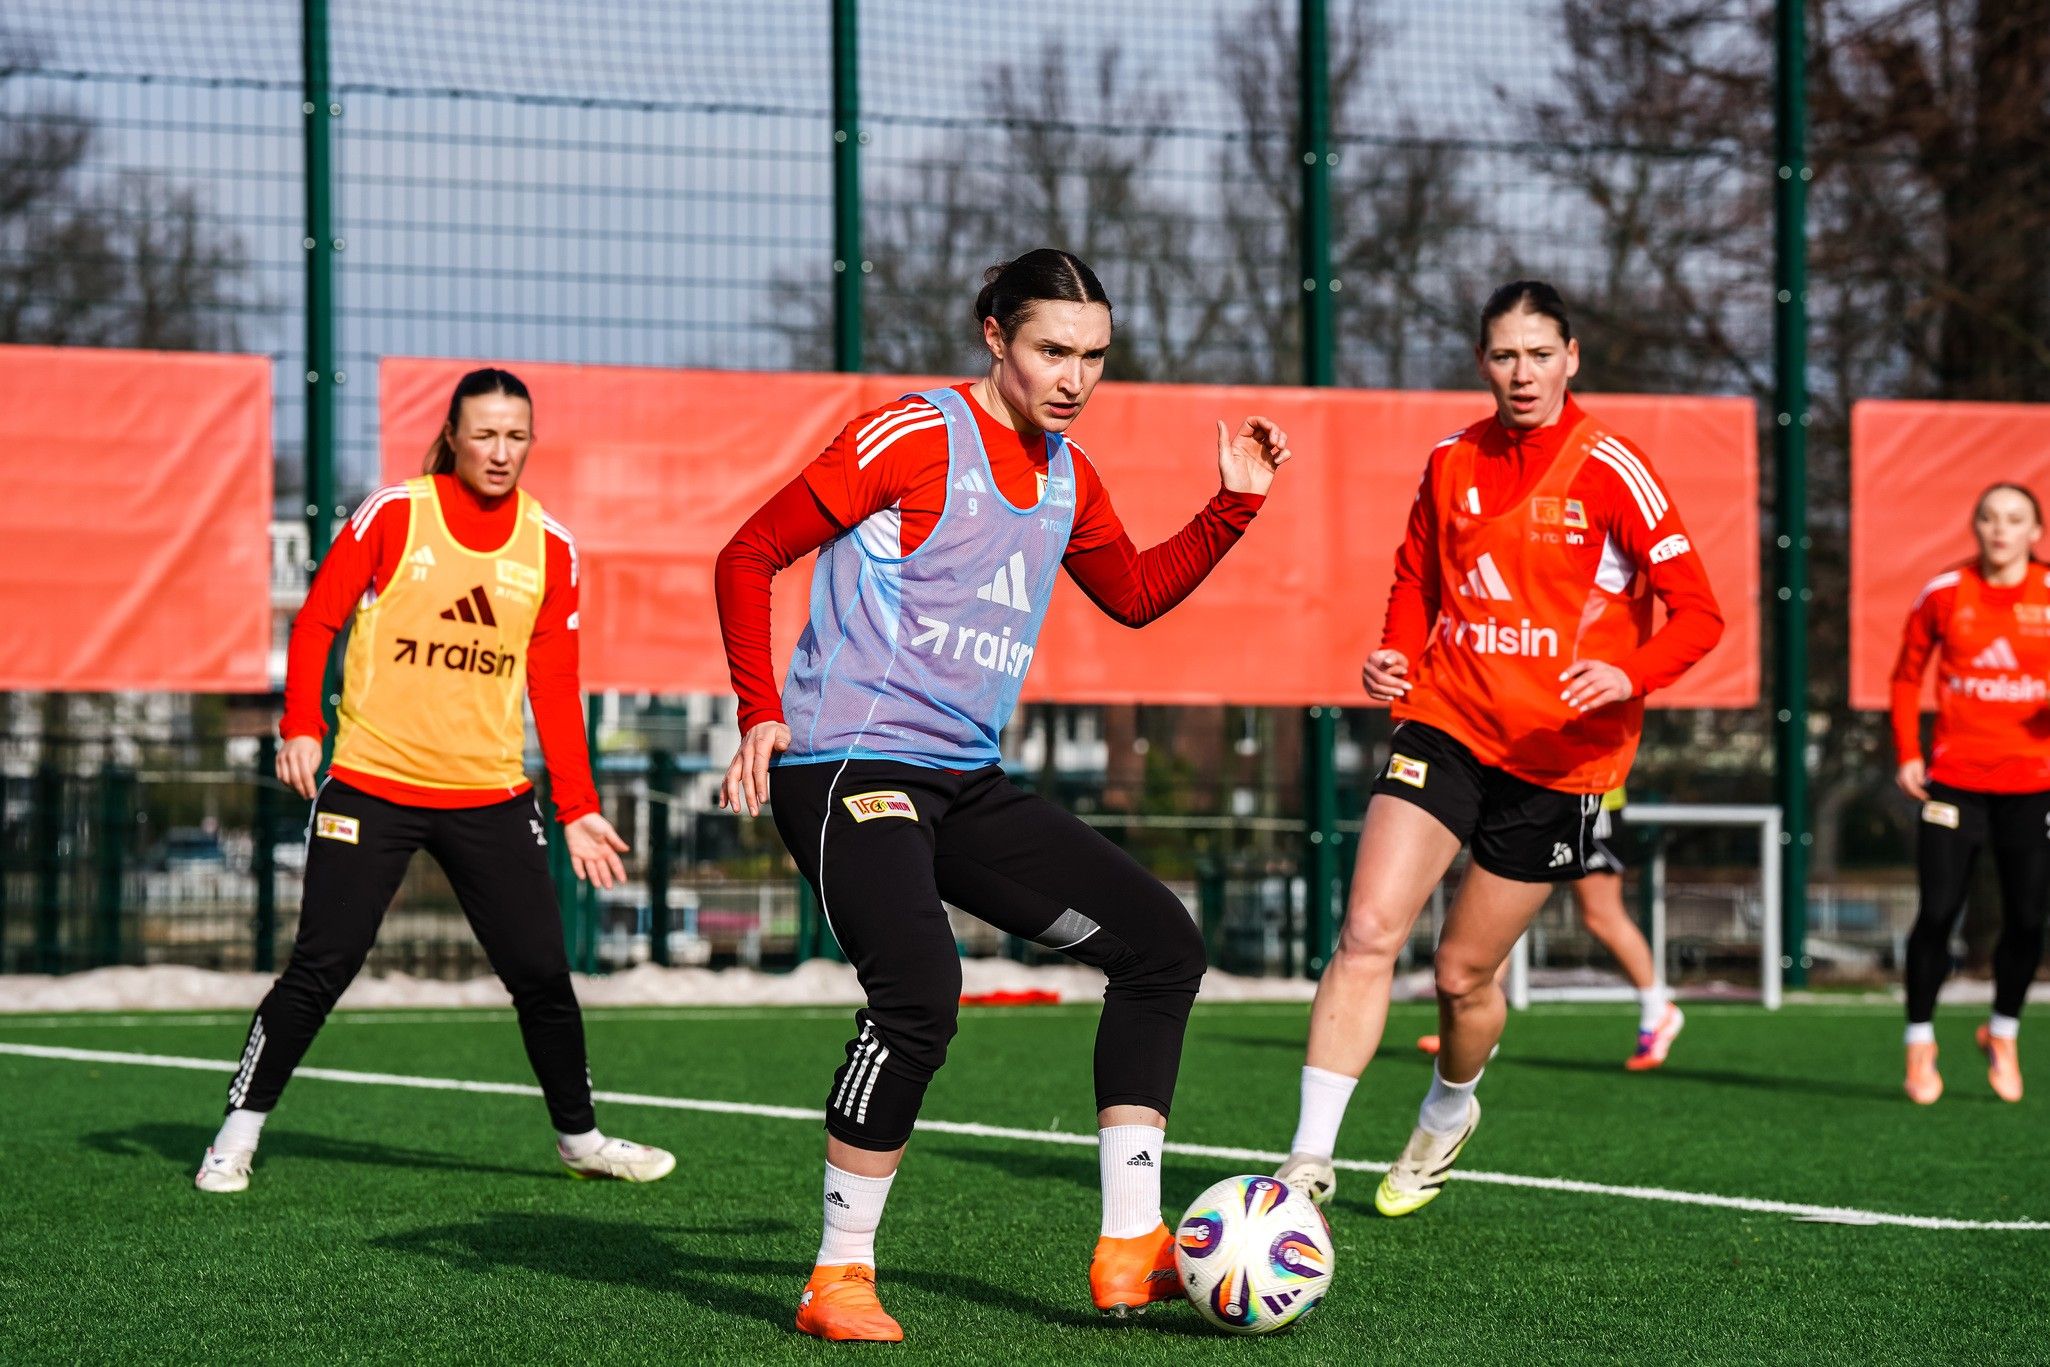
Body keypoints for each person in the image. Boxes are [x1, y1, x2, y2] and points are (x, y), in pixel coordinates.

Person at [713, 249, 1290, 1341]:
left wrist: (1233, 508)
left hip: (962, 782)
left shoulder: (1069, 474)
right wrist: (757, 708)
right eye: (1052, 350)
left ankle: (1129, 1245)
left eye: (1094, 357)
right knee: (923, 989)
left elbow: (1132, 595)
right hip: (846, 766)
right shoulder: (914, 435)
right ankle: (838, 1274)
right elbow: (749, 553)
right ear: (993, 335)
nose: (1074, 377)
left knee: (1162, 944)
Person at [1273, 280, 1722, 1215]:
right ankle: (1306, 1161)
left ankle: (1450, 1107)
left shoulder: (1611, 467)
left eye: (1540, 353)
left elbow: (1700, 615)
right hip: (1447, 721)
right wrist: (1396, 651)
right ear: (1484, 362)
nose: (1523, 373)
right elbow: (1415, 578)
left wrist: (1628, 673)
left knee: (1459, 974)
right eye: (1505, 355)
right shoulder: (1451, 461)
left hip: (1563, 762)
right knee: (1366, 933)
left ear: (1572, 357)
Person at [195, 368, 674, 1193]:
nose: (500, 451)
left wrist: (579, 807)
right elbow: (317, 620)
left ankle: (581, 1139)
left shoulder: (550, 547)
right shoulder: (396, 513)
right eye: (484, 434)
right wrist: (301, 726)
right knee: (323, 964)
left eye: (516, 435)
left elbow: (555, 687)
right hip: (372, 784)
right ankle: (234, 1136)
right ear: (452, 435)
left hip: (489, 795)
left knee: (543, 977)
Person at [1890, 482, 2050, 1105]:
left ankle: (2003, 1031)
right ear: (1975, 526)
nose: (2000, 529)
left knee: (2029, 917)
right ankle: (1919, 1041)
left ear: (2036, 533)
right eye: (1988, 517)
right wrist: (1908, 750)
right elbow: (1906, 676)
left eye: (2015, 520)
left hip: (2034, 786)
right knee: (1936, 911)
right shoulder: (1944, 593)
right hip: (1954, 783)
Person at [1414, 786, 1684, 1069]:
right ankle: (1474, 1027)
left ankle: (1658, 1009)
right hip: (1528, 795)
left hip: (1588, 798)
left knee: (1600, 913)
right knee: (1498, 910)